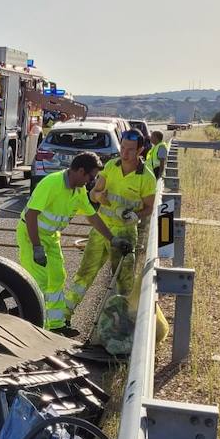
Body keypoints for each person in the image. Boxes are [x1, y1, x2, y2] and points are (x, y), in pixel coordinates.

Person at [17, 152, 116, 334]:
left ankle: (55, 326)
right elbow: (31, 215)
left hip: (51, 237)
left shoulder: (78, 191)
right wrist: (37, 247)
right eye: (90, 176)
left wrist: (113, 239)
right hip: (31, 235)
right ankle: (36, 327)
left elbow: (93, 217)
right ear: (80, 171)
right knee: (40, 280)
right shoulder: (51, 184)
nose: (91, 181)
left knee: (57, 277)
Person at [63, 129, 157, 320]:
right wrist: (99, 196)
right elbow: (92, 194)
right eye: (122, 147)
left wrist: (135, 216)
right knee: (85, 273)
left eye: (130, 150)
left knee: (123, 281)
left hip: (125, 233)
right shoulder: (111, 167)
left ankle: (120, 324)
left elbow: (149, 208)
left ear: (140, 150)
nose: (124, 153)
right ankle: (63, 315)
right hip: (102, 229)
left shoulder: (147, 178)